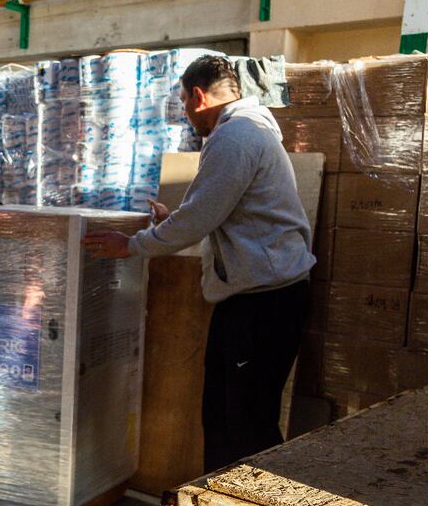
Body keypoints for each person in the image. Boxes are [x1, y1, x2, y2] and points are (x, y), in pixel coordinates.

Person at [83, 55, 315, 472]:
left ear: (197, 95)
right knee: (225, 415)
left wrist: (132, 245)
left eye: (185, 104)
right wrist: (173, 221)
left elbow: (201, 218)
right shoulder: (246, 132)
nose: (187, 115)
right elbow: (220, 213)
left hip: (264, 303)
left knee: (246, 424)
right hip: (255, 297)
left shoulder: (236, 136)